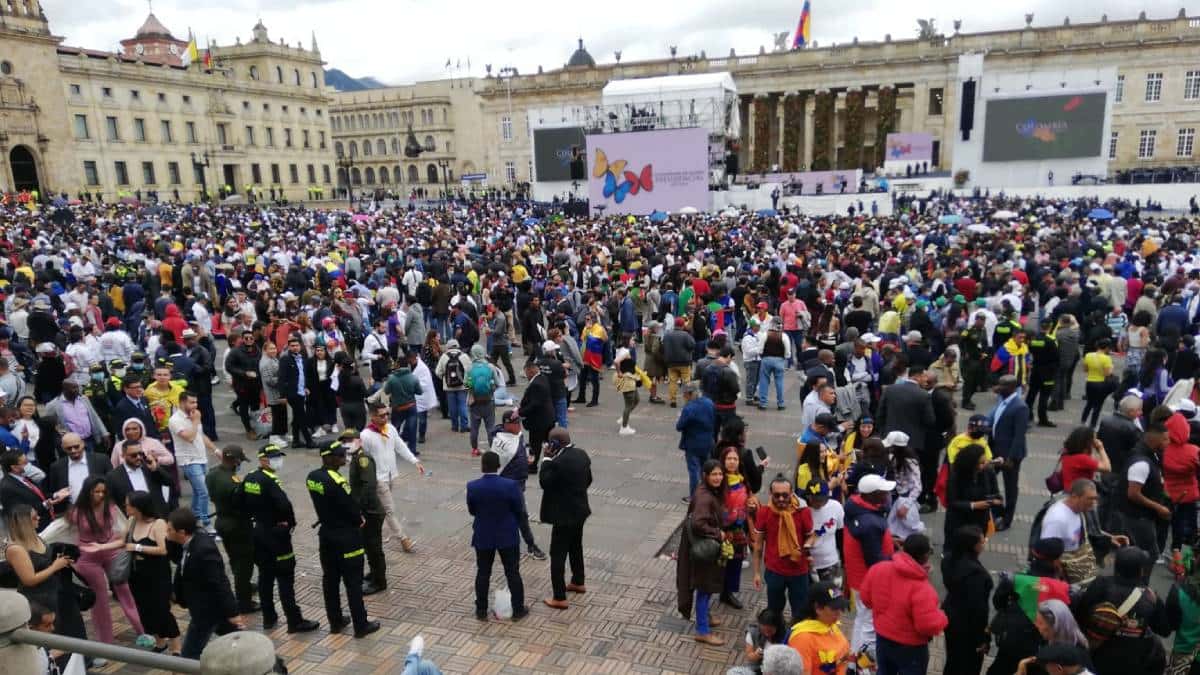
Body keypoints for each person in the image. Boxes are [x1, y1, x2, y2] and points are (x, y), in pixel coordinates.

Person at [242, 443, 319, 633]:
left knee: (265, 577)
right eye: (273, 457)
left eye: (278, 456)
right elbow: (284, 505)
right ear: (262, 459)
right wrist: (289, 523)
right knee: (285, 578)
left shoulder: (250, 477)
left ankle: (269, 617)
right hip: (276, 536)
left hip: (258, 532)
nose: (278, 460)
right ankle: (294, 620)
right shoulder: (270, 481)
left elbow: (239, 500)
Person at [306, 440, 381, 638]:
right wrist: (359, 519)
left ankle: (335, 621)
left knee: (330, 580)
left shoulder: (312, 477)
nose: (343, 458)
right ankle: (360, 625)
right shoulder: (337, 482)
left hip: (327, 535)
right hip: (347, 537)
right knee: (353, 583)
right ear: (327, 457)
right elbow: (351, 509)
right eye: (340, 455)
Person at [70, 476, 144, 645]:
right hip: (88, 556)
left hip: (111, 550)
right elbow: (59, 529)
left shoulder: (110, 505)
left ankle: (142, 631)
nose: (101, 495)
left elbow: (122, 525)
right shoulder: (76, 511)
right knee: (100, 601)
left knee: (125, 591)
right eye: (96, 491)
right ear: (88, 491)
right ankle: (106, 643)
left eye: (103, 491)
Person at [860, 533, 948, 675]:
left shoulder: (879, 568)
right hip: (911, 648)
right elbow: (927, 626)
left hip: (882, 637)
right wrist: (942, 617)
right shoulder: (922, 588)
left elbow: (866, 599)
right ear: (925, 556)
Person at [1073, 547, 1170, 675]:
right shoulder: (1150, 597)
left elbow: (1080, 614)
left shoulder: (1100, 585)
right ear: (1141, 571)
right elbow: (1164, 630)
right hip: (1132, 662)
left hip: (1096, 656)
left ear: (1115, 565)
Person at [166, 507, 246, 659]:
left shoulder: (203, 550)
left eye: (169, 530)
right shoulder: (185, 542)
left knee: (190, 653)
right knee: (237, 639)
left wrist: (233, 613)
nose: (166, 533)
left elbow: (220, 582)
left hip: (206, 610)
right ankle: (262, 660)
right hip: (209, 607)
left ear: (182, 532)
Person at [1, 504, 85, 643]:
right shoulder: (16, 549)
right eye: (34, 517)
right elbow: (29, 579)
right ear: (25, 522)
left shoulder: (37, 538)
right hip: (37, 600)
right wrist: (55, 566)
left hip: (53, 592)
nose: (39, 518)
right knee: (47, 638)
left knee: (64, 630)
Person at [465, 451, 529, 622]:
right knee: (512, 572)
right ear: (499, 466)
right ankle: (518, 609)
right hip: (507, 534)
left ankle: (481, 610)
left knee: (483, 572)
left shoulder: (473, 486)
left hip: (483, 535)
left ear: (482, 466)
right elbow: (519, 509)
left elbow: (472, 510)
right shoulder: (510, 485)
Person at [844, 473, 897, 666]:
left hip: (857, 579)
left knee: (861, 619)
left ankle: (853, 661)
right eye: (883, 492)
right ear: (872, 495)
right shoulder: (869, 524)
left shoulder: (855, 506)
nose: (887, 495)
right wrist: (896, 558)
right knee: (869, 625)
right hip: (868, 581)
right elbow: (875, 560)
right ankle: (864, 665)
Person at [538, 427, 592, 610]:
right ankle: (578, 581)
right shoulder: (582, 455)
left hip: (563, 516)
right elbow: (588, 480)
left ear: (554, 444)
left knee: (558, 553)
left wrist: (545, 459)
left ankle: (559, 597)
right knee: (576, 546)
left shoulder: (557, 462)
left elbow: (544, 481)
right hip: (580, 510)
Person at [360, 401, 423, 553]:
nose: (385, 418)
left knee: (382, 509)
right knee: (389, 510)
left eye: (387, 414)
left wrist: (414, 461)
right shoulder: (366, 435)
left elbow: (400, 446)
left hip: (390, 475)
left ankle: (373, 531)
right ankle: (403, 539)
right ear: (372, 416)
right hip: (377, 479)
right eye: (382, 415)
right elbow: (361, 459)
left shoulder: (391, 429)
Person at [123, 490, 181, 655]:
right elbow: (121, 541)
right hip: (137, 575)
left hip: (157, 576)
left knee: (162, 611)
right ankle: (160, 642)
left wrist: (137, 547)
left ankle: (176, 647)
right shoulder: (131, 521)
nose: (125, 507)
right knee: (144, 611)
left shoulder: (158, 524)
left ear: (139, 507)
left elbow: (163, 550)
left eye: (128, 505)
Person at [751, 474, 814, 622]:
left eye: (785, 495)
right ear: (770, 494)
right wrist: (757, 573)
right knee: (774, 610)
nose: (781, 499)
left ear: (791, 494)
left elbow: (811, 535)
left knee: (800, 612)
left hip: (799, 571)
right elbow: (758, 545)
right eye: (777, 495)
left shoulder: (803, 512)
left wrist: (807, 545)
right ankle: (776, 639)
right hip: (774, 571)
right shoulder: (764, 512)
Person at [204, 445, 259, 616]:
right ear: (235, 460)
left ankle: (244, 587)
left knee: (235, 558)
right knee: (244, 564)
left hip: (222, 521)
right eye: (240, 460)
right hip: (238, 526)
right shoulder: (232, 482)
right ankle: (244, 601)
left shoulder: (212, 474)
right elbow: (243, 505)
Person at [677, 458, 727, 646]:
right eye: (714, 474)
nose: (718, 477)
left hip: (700, 547)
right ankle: (702, 630)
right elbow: (699, 522)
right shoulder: (705, 498)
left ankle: (705, 616)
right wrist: (717, 533)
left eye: (720, 474)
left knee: (705, 585)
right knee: (704, 587)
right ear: (705, 476)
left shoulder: (704, 491)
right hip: (703, 549)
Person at [1115, 421, 1171, 563]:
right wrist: (1158, 507)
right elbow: (1133, 493)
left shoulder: (1151, 454)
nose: (1168, 442)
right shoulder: (1142, 462)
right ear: (1154, 439)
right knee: (1148, 555)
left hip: (1138, 515)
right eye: (1165, 439)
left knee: (1139, 552)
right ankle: (1139, 583)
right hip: (1137, 517)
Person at [941, 525, 994, 675]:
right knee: (969, 665)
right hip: (968, 628)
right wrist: (982, 639)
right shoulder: (976, 575)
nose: (984, 544)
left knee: (953, 659)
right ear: (973, 546)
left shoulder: (949, 559)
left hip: (951, 617)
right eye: (982, 542)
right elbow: (979, 611)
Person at [346, 428, 386, 596]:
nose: (347, 444)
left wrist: (360, 510)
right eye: (344, 442)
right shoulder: (356, 458)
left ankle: (379, 581)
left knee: (373, 546)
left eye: (351, 440)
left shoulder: (363, 459)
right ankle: (374, 573)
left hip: (371, 511)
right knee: (369, 546)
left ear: (359, 441)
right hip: (366, 509)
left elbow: (369, 486)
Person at [169, 391, 217, 531]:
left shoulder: (194, 414)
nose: (194, 405)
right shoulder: (175, 420)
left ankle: (193, 517)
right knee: (204, 492)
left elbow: (200, 435)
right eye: (191, 402)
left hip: (201, 457)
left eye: (195, 402)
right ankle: (206, 523)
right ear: (182, 402)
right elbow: (189, 437)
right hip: (188, 460)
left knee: (198, 491)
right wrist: (195, 421)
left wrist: (215, 450)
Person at [990, 374, 1030, 530]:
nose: (999, 388)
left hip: (1010, 456)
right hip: (996, 451)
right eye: (999, 384)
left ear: (1013, 388)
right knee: (989, 480)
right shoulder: (1003, 402)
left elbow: (1019, 435)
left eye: (1003, 385)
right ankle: (997, 510)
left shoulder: (1020, 407)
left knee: (1010, 488)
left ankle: (1007, 519)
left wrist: (1011, 458)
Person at [787, 580, 852, 675]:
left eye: (841, 607)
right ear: (818, 608)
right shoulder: (802, 639)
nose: (839, 613)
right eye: (834, 609)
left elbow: (840, 657)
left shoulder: (830, 625)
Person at [875, 366, 936, 458]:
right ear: (917, 376)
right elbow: (930, 420)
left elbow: (880, 415)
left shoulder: (890, 390)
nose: (926, 380)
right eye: (924, 376)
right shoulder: (924, 395)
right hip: (913, 443)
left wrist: (883, 433)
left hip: (889, 440)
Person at [106, 438, 173, 517]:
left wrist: (156, 469)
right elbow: (113, 501)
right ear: (123, 455)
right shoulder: (113, 476)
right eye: (133, 455)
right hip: (133, 518)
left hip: (157, 514)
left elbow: (169, 482)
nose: (138, 457)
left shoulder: (149, 467)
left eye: (140, 454)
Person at [0, 450, 67, 528]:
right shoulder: (7, 487)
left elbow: (38, 495)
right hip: (34, 528)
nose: (29, 465)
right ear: (14, 467)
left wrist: (56, 495)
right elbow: (20, 512)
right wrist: (45, 505)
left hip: (46, 521)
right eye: (25, 463)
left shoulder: (23, 477)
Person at [677, 383, 716, 499]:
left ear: (688, 394)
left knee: (694, 470)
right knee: (707, 468)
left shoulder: (689, 408)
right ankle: (709, 492)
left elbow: (679, 426)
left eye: (684, 395)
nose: (684, 397)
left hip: (693, 444)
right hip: (708, 441)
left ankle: (694, 496)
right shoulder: (709, 402)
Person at [278, 335, 316, 449]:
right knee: (302, 417)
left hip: (301, 391)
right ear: (289, 347)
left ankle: (295, 441)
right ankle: (309, 441)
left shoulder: (302, 358)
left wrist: (305, 387)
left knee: (296, 417)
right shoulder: (285, 359)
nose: (295, 347)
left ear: (300, 346)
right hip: (291, 393)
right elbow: (281, 378)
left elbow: (302, 375)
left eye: (297, 345)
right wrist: (283, 395)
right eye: (292, 346)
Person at [518, 358, 555, 472]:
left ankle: (532, 466)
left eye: (526, 373)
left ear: (530, 371)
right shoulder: (542, 378)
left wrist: (520, 412)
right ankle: (550, 463)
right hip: (547, 417)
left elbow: (534, 404)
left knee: (535, 444)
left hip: (539, 420)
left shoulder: (536, 384)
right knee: (547, 443)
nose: (526, 376)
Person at [435, 339, 472, 433]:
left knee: (452, 407)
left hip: (449, 386)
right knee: (463, 405)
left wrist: (445, 379)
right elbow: (470, 371)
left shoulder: (444, 357)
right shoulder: (464, 356)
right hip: (463, 385)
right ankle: (464, 426)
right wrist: (468, 384)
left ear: (448, 346)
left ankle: (454, 426)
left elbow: (438, 372)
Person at [1081, 339, 1115, 429]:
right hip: (1101, 383)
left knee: (1089, 403)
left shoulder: (1088, 355)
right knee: (1098, 406)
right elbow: (1107, 374)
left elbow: (1085, 369)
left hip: (1089, 382)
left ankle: (1083, 421)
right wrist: (1111, 368)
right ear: (1107, 348)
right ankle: (1093, 424)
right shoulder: (1107, 358)